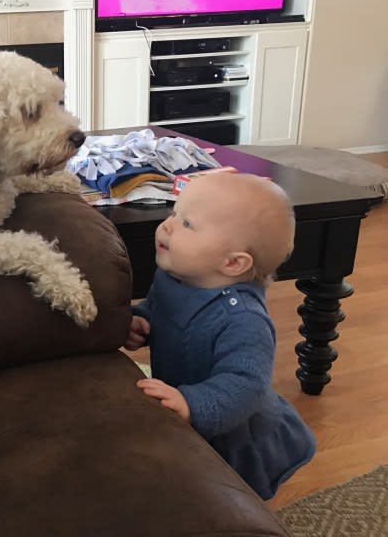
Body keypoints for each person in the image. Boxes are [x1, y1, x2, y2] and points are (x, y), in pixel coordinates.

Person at [126, 171, 316, 500]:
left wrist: (193, 404)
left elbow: (246, 385)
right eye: (175, 213)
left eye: (187, 224)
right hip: (185, 404)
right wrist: (142, 321)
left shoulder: (243, 320)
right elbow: (157, 307)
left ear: (232, 263)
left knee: (228, 495)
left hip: (233, 429)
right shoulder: (174, 278)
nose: (168, 225)